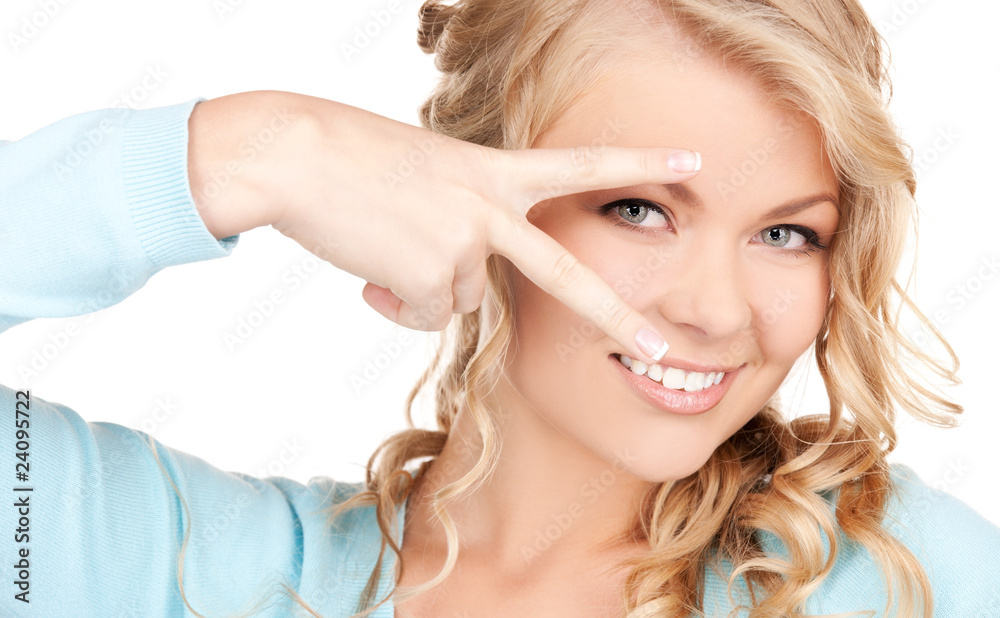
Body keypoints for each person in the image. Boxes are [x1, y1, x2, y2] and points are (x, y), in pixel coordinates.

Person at [1, 1, 998, 618]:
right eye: (638, 209)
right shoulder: (185, 567)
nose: (715, 312)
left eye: (788, 232)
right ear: (460, 192)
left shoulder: (903, 578)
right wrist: (255, 147)